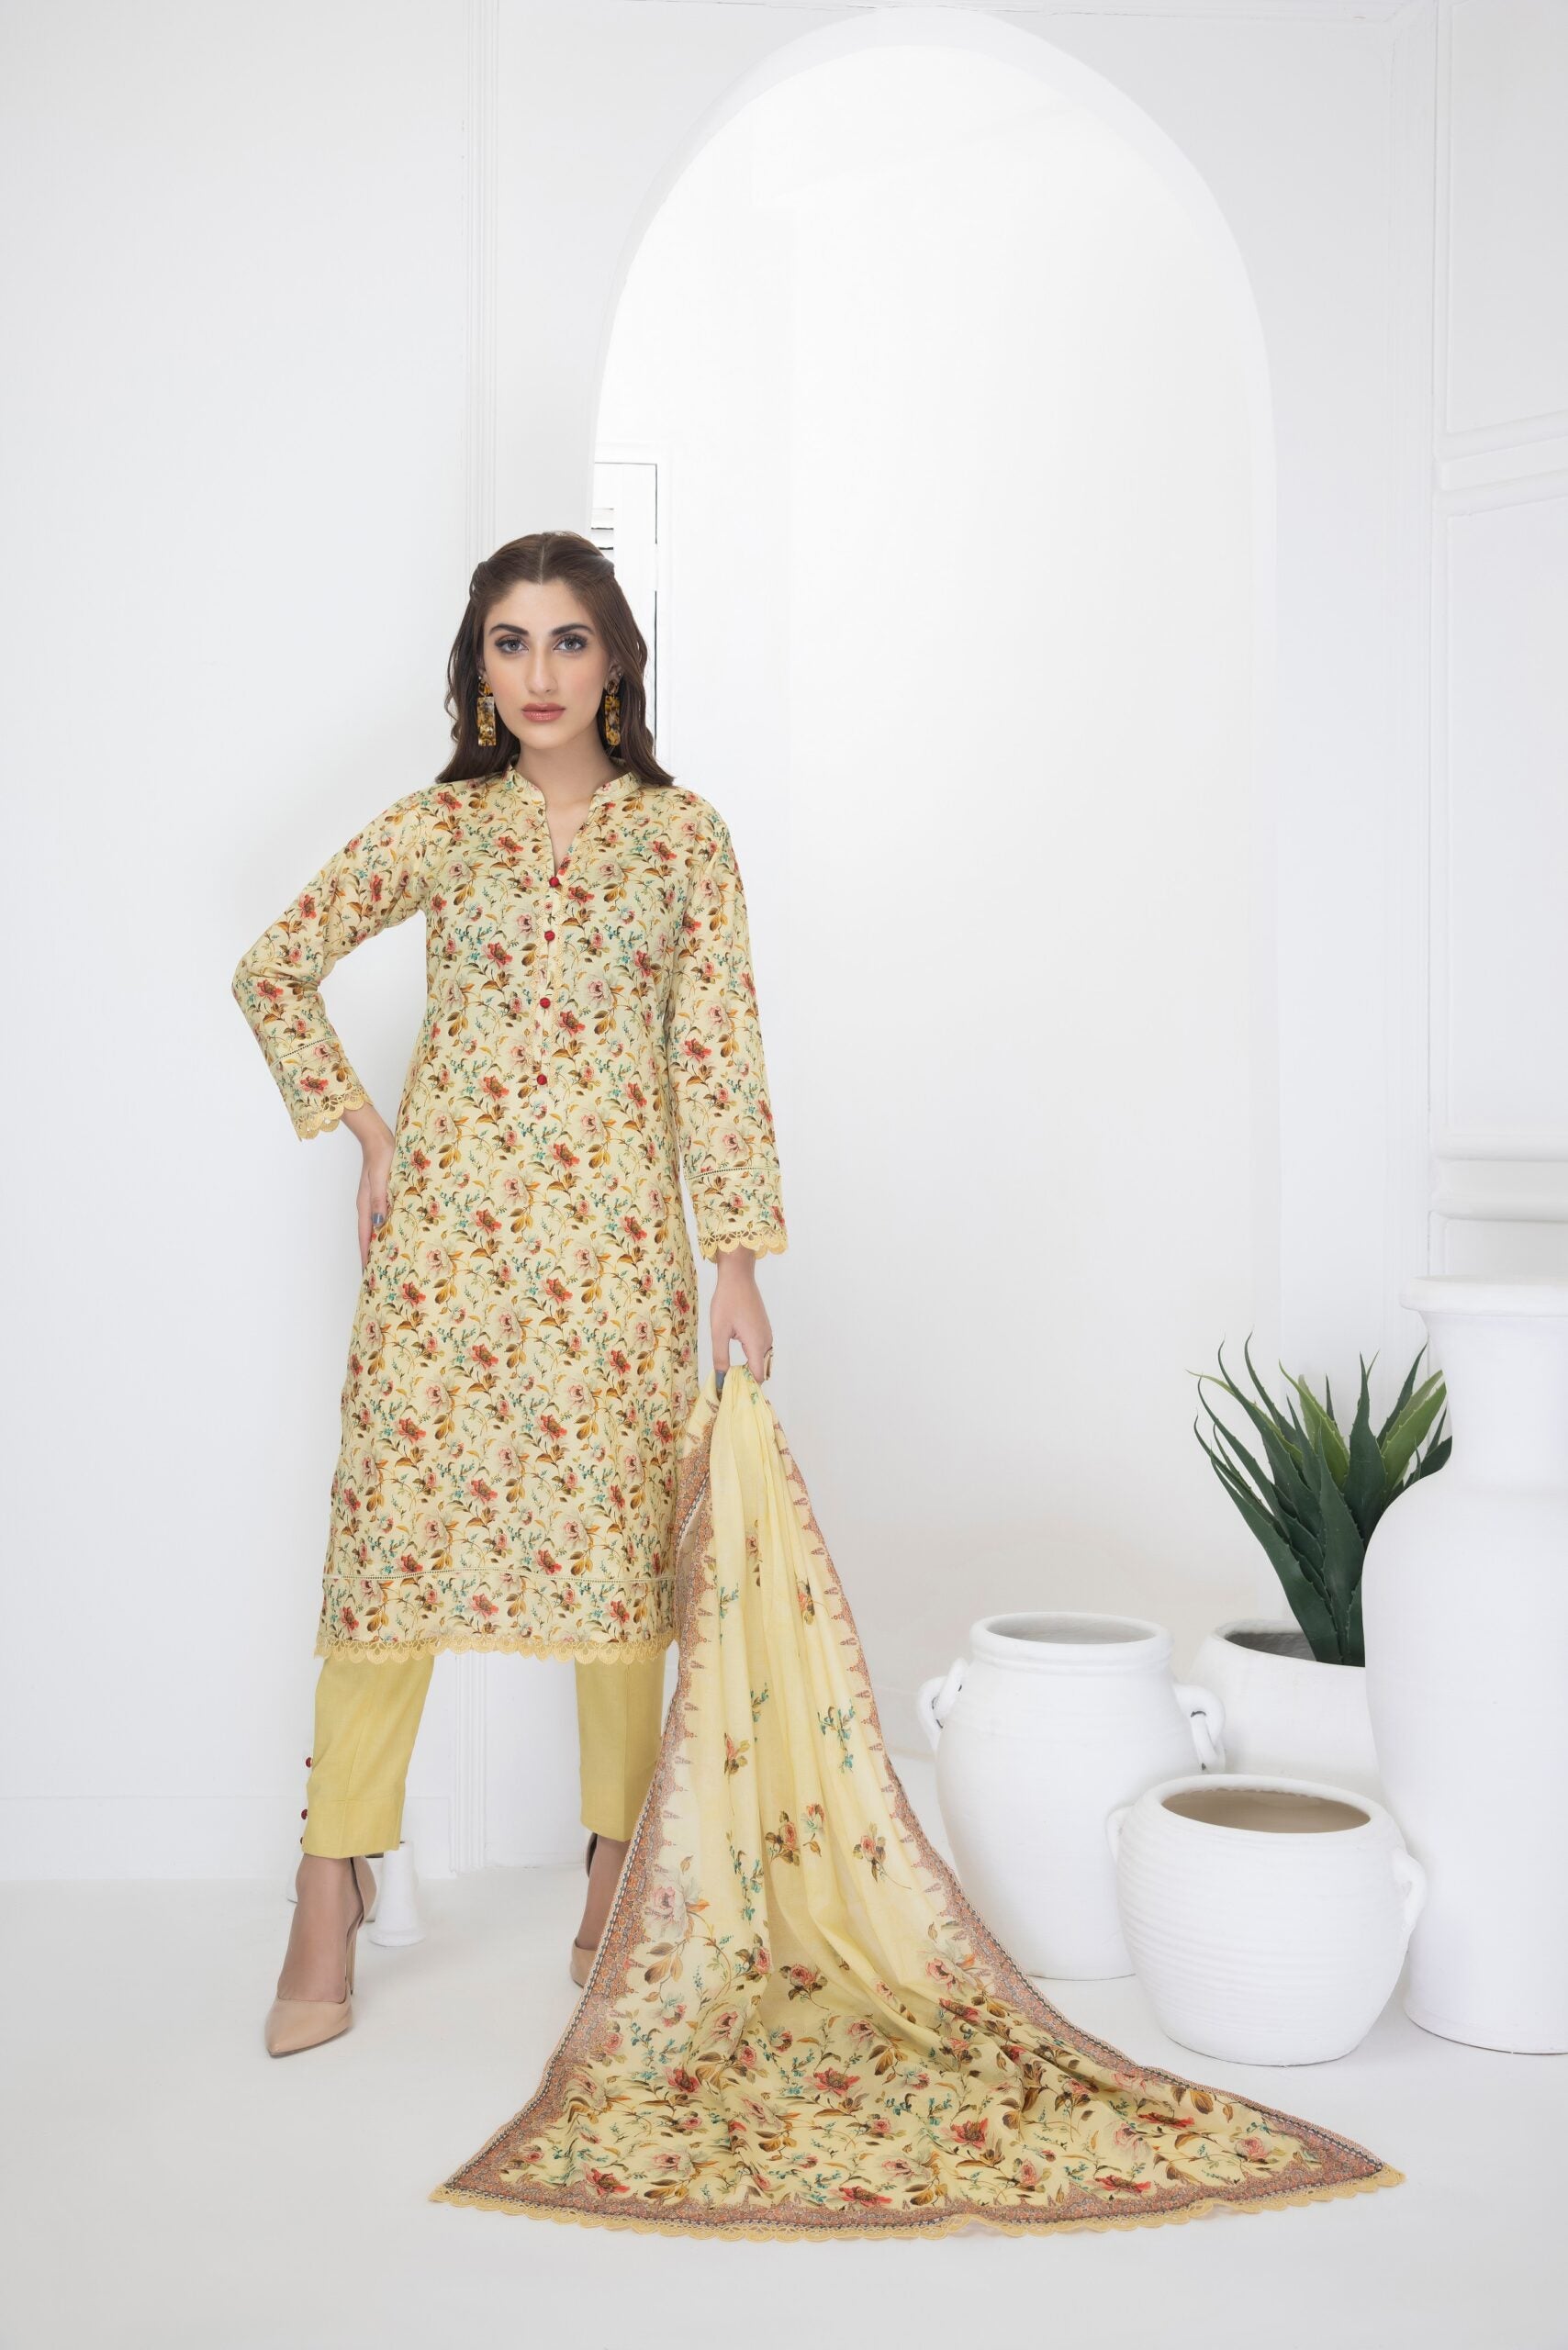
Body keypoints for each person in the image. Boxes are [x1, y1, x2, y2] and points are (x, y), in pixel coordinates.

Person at [230, 530, 786, 2054]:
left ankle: (617, 1865)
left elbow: (718, 1055)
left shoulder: (684, 842)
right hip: (447, 1259)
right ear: (478, 669)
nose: (539, 673)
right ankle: (331, 1876)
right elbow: (274, 966)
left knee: (618, 1577)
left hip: (615, 1261)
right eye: (510, 642)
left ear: (616, 662)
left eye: (569, 640)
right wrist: (367, 1132)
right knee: (387, 1560)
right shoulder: (444, 827)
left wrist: (735, 1262)